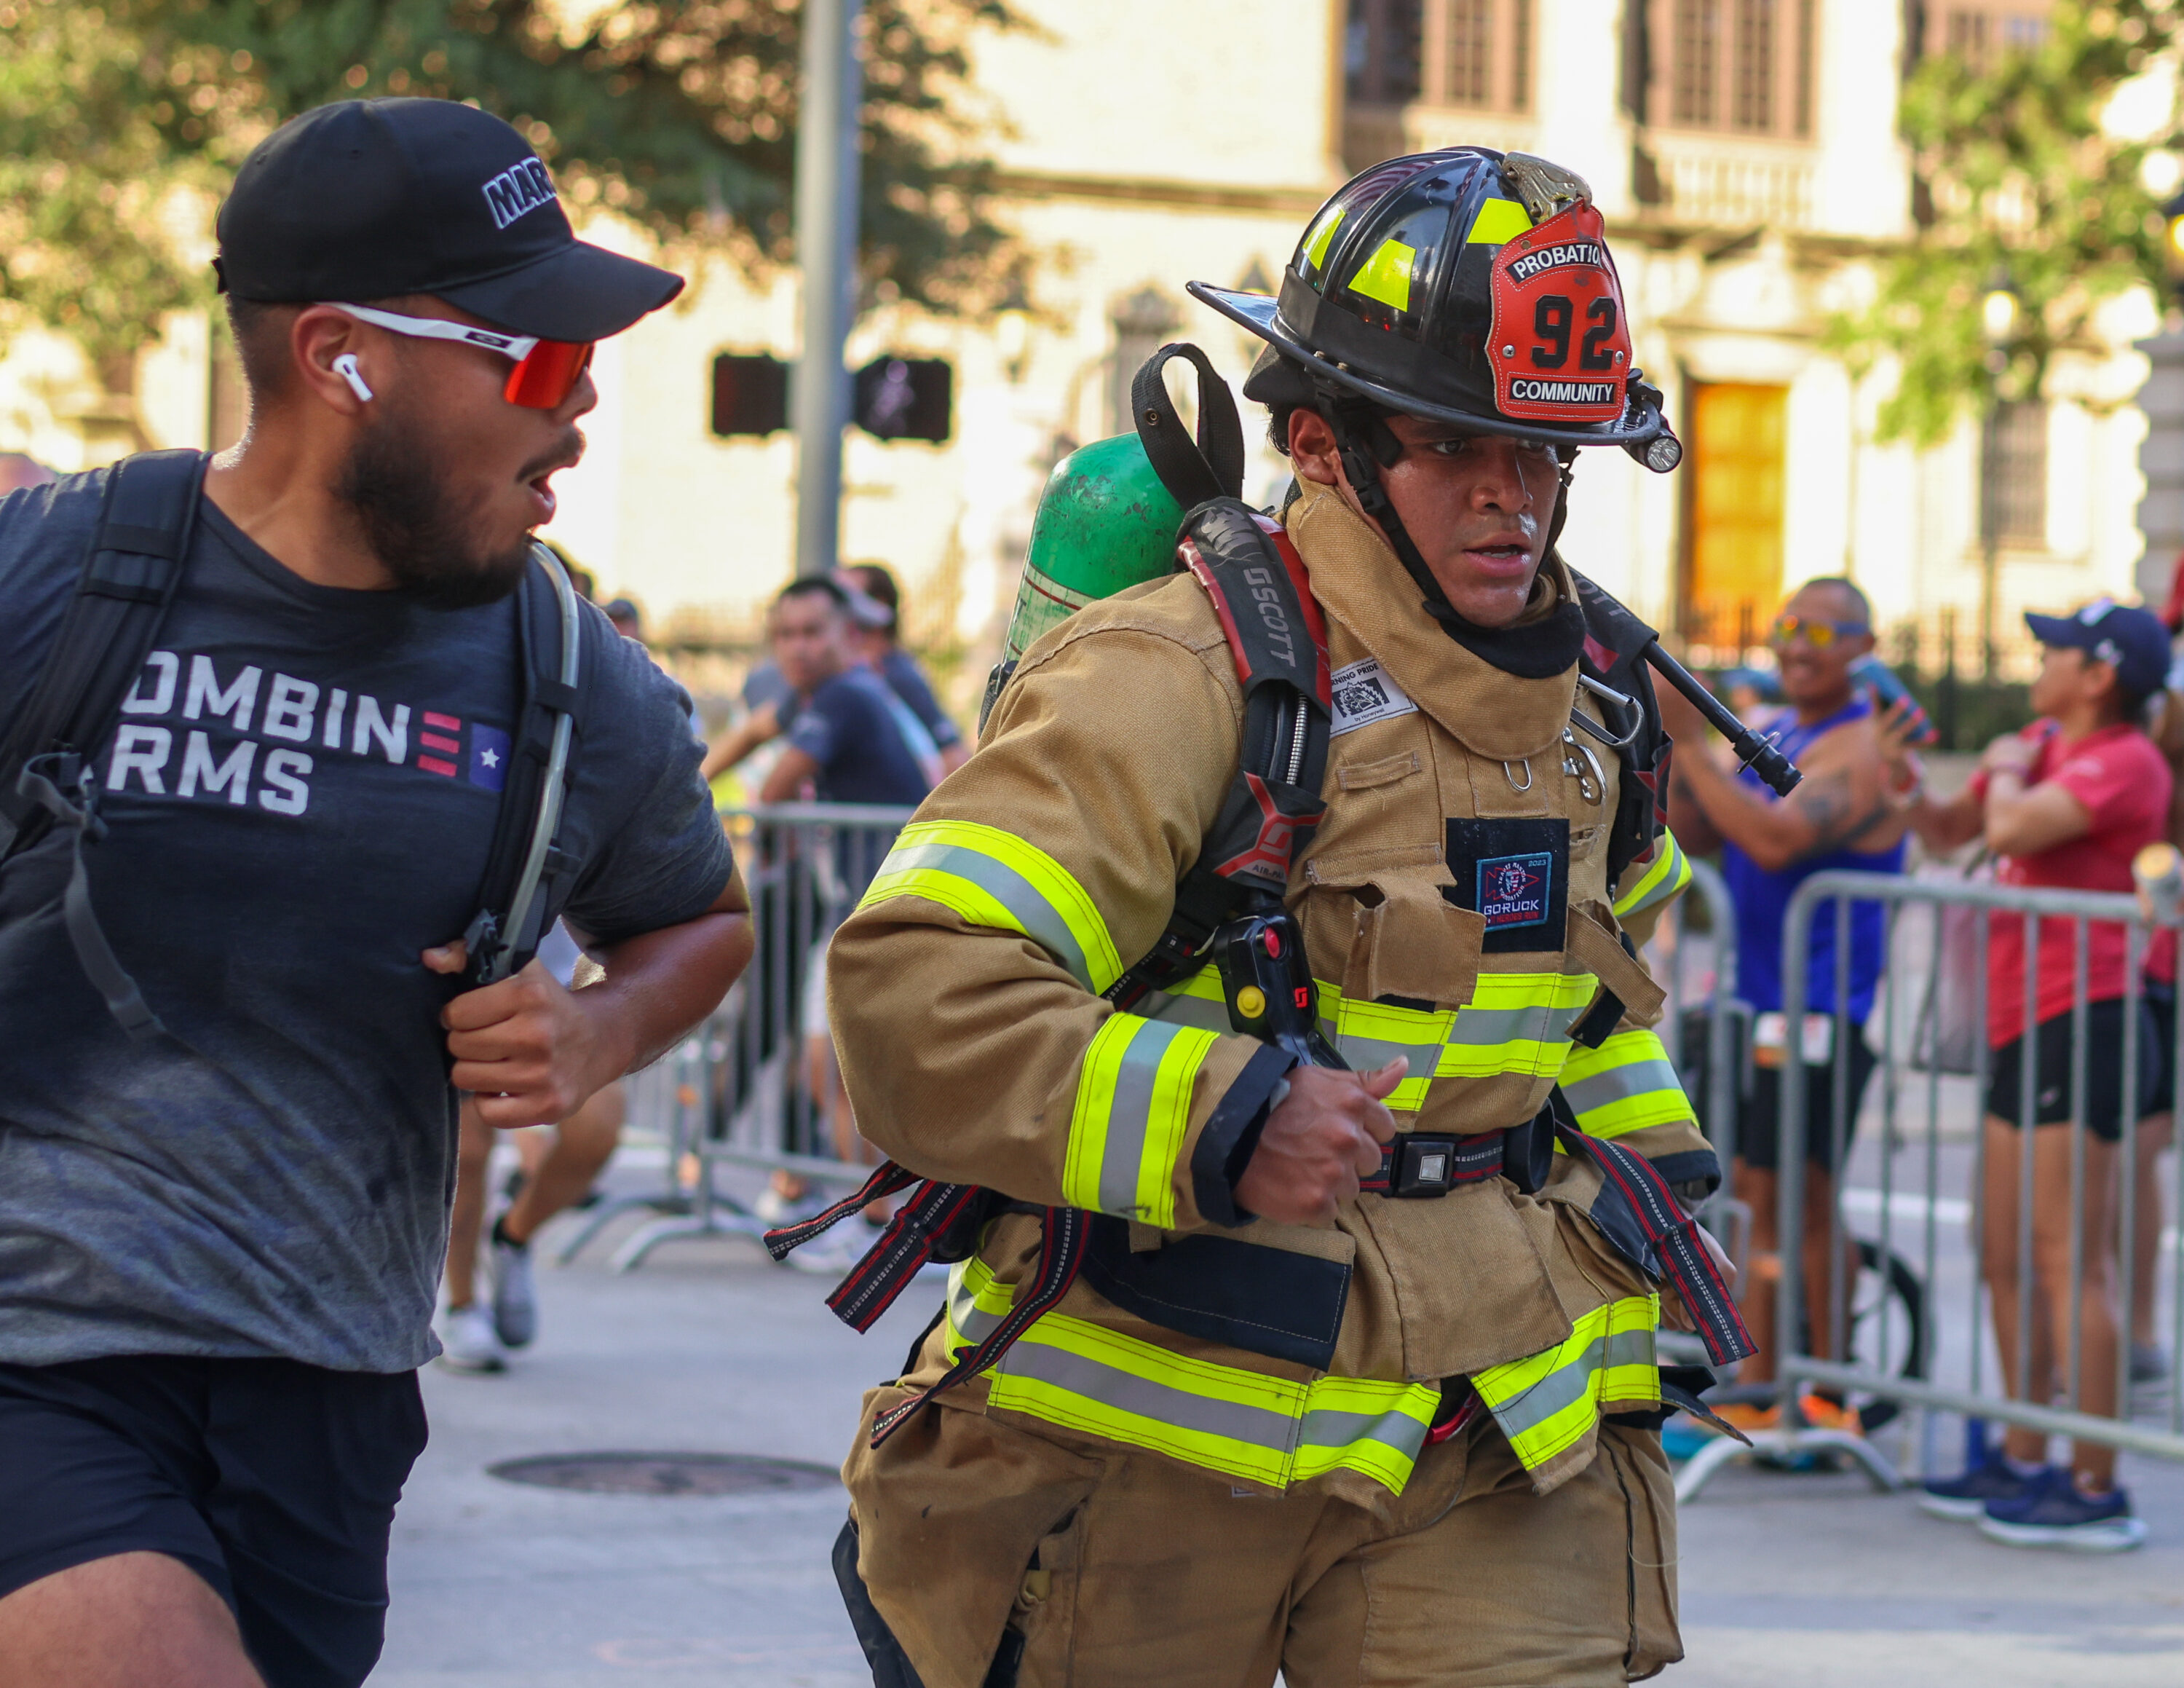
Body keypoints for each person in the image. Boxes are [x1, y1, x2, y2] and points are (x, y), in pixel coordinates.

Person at [822, 149, 1736, 1685]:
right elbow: (918, 990)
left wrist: (1652, 1203)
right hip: (1151, 1451)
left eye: (1552, 456)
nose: (1520, 498)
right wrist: (1226, 1108)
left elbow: (1592, 1021)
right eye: (1461, 447)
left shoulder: (1593, 728)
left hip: (1489, 1442)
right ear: (1321, 445)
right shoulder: (1172, 681)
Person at [0, 97, 753, 1688]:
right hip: (35, 1349)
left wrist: (596, 1032)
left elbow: (701, 918)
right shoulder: (56, 580)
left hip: (328, 1387)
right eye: (540, 362)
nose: (583, 410)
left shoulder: (570, 678)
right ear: (344, 355)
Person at [1889, 599, 2170, 1550]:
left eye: (2053, 649)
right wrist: (1905, 776)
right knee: (2000, 1246)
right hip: (2025, 1024)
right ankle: (2022, 1448)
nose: (2037, 659)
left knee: (2068, 1258)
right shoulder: (2047, 742)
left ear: (2099, 674)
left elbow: (2010, 828)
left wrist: (2004, 761)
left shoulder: (2123, 759)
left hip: (2085, 1023)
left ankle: (2092, 1480)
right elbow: (1947, 827)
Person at [1657, 578, 1910, 1430]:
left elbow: (1774, 836)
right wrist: (1672, 750)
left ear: (1863, 645)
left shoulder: (1861, 747)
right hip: (1762, 1002)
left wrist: (1692, 742)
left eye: (1820, 629)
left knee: (1803, 1198)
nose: (1796, 643)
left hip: (1825, 1009)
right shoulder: (1787, 732)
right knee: (1765, 1194)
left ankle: (1824, 1391)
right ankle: (1765, 1393)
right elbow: (1698, 832)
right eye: (1786, 625)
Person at [436, 921, 626, 1372]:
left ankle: (512, 1237)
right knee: (467, 1153)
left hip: (561, 989)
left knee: (597, 1132)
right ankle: (461, 1305)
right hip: (451, 983)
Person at [836, 561, 969, 775]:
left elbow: (953, 753)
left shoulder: (896, 673)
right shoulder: (851, 672)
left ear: (879, 605)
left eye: (847, 596)